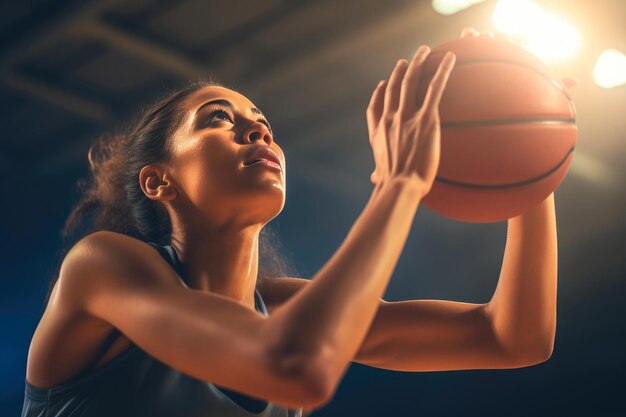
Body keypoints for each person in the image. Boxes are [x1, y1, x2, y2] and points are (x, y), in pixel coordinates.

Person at [21, 28, 570, 417]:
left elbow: (512, 338)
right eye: (218, 119)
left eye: (264, 124)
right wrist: (400, 183)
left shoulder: (285, 310)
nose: (258, 132)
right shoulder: (102, 267)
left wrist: (525, 159)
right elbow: (295, 367)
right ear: (157, 181)